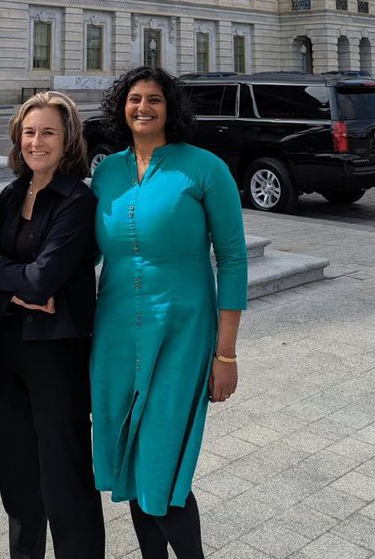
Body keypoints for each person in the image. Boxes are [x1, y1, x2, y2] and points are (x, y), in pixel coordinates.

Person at [91, 66, 248, 558]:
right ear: (122, 107)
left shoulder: (204, 168)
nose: (143, 107)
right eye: (134, 99)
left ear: (170, 107)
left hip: (183, 332)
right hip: (115, 331)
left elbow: (234, 258)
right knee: (132, 459)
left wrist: (225, 354)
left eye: (154, 99)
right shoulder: (107, 172)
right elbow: (86, 250)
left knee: (161, 459)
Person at [0, 91, 104, 559]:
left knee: (65, 475)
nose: (36, 141)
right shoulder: (14, 192)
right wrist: (12, 286)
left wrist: (1, 272)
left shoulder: (77, 200)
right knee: (19, 476)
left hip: (56, 353)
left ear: (67, 139)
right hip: (7, 347)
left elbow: (43, 277)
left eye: (48, 131)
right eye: (29, 132)